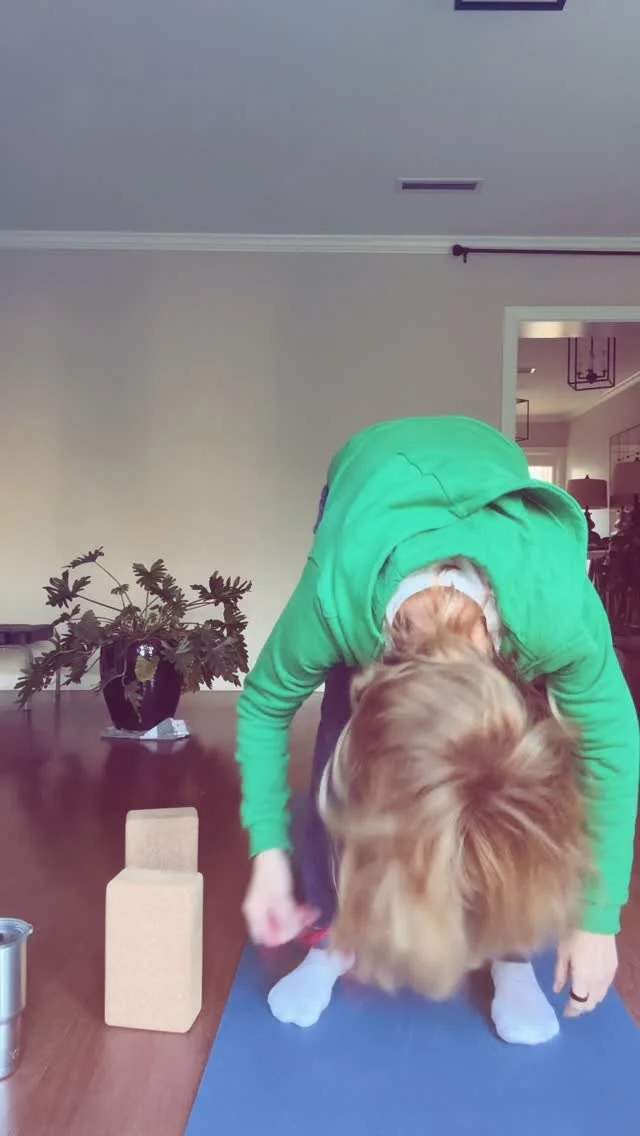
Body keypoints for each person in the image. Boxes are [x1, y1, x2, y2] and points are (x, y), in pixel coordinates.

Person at [236, 416, 639, 1045]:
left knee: (505, 792)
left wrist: (598, 916)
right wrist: (268, 854)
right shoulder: (335, 602)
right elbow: (264, 704)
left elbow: (611, 745)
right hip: (367, 488)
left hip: (495, 495)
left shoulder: (554, 610)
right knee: (338, 751)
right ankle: (333, 938)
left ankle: (510, 956)